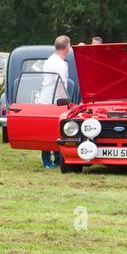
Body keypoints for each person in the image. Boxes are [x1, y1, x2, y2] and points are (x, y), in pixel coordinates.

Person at [40, 35, 72, 168]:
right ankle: (54, 159)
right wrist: (67, 102)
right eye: (69, 45)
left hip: (45, 99)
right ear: (66, 48)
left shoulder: (50, 60)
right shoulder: (60, 64)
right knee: (56, 131)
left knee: (46, 131)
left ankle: (49, 160)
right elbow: (61, 85)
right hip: (54, 101)